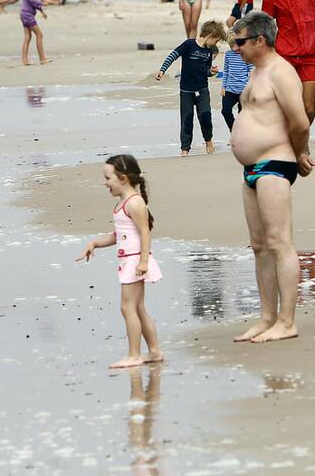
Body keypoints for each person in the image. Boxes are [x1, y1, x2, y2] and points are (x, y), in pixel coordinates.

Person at [228, 11, 313, 343]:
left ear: (260, 40)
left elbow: (300, 121)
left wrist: (300, 153)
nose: (235, 48)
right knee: (260, 246)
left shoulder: (281, 72)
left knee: (279, 243)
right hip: (251, 168)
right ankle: (267, 317)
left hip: (275, 162)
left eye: (240, 42)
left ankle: (287, 320)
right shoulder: (256, 71)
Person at [75, 155, 163, 369]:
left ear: (123, 178)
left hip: (135, 261)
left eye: (108, 178)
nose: (105, 183)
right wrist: (95, 243)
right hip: (130, 261)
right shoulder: (123, 203)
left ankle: (134, 355)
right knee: (137, 308)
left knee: (127, 307)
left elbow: (145, 232)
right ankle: (154, 351)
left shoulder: (134, 202)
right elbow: (119, 235)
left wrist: (143, 262)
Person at [156, 19, 225, 155]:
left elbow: (205, 71)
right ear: (210, 36)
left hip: (202, 90)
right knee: (186, 119)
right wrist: (162, 70)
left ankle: (208, 140)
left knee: (205, 116)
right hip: (186, 91)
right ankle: (185, 148)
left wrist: (211, 72)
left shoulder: (208, 52)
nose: (215, 44)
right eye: (216, 41)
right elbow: (173, 56)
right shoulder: (189, 44)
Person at [19, 0, 48, 66]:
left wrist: (41, 10)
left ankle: (25, 60)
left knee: (27, 37)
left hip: (24, 14)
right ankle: (42, 58)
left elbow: (30, 2)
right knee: (39, 35)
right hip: (28, 15)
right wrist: (41, 2)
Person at [220, 44, 252, 131]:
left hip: (243, 90)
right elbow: (226, 71)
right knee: (225, 111)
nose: (232, 48)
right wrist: (223, 86)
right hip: (229, 89)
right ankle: (234, 130)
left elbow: (251, 72)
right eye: (230, 46)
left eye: (234, 45)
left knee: (242, 114)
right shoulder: (228, 54)